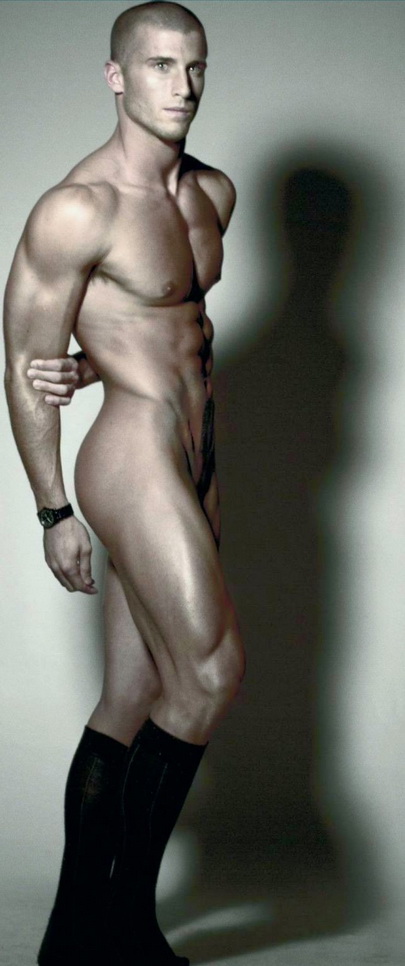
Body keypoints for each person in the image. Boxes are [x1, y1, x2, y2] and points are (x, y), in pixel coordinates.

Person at [3, 3, 245, 964]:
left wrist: (94, 359)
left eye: (194, 66)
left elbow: (161, 330)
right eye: (157, 65)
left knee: (134, 694)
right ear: (116, 76)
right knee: (211, 674)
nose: (181, 86)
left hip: (199, 453)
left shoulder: (213, 193)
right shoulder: (77, 208)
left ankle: (71, 934)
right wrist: (52, 510)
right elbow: (25, 361)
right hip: (133, 454)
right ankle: (124, 928)